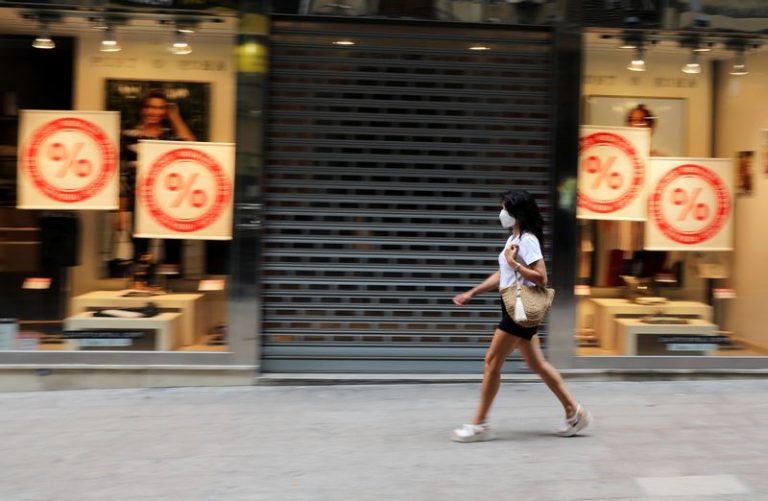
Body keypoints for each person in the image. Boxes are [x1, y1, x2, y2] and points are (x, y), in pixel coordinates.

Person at [451, 190, 592, 442]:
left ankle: (479, 424)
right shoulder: (513, 237)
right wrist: (472, 292)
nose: (501, 212)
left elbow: (541, 276)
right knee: (536, 364)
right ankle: (575, 412)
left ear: (516, 212)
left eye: (505, 208)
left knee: (491, 362)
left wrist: (515, 264)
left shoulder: (527, 240)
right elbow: (502, 274)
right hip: (513, 304)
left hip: (520, 308)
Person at [117, 88, 196, 267]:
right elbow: (122, 174)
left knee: (172, 253)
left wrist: (175, 116)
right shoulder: (129, 137)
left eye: (161, 108)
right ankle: (141, 286)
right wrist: (121, 211)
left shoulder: (168, 137)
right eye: (151, 107)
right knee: (140, 253)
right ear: (143, 109)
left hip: (169, 202)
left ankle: (172, 286)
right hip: (140, 202)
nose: (155, 112)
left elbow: (191, 145)